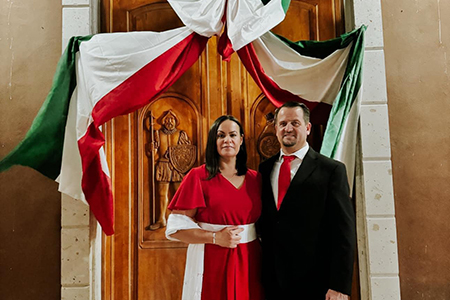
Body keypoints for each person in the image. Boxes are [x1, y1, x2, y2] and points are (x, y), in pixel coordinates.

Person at [258, 101, 356, 300]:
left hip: (316, 283)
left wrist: (339, 286)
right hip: (272, 281)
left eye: (295, 123)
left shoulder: (331, 170)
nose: (288, 128)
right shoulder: (264, 169)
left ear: (308, 127)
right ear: (276, 129)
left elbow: (344, 232)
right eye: (283, 123)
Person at [165, 115, 264, 300]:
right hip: (211, 259)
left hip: (250, 261)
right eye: (221, 135)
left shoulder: (256, 179)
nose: (227, 140)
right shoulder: (198, 177)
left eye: (233, 135)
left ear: (241, 140)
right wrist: (215, 237)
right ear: (214, 141)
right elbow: (176, 228)